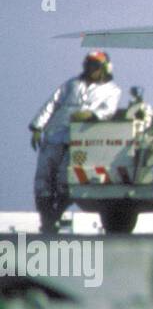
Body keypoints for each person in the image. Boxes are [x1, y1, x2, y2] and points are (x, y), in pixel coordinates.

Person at [29, 51, 123, 232]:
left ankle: (55, 215)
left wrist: (91, 114)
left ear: (104, 69)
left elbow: (108, 111)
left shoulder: (112, 90)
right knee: (43, 181)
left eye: (94, 66)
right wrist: (37, 127)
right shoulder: (71, 85)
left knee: (68, 180)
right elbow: (52, 104)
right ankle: (46, 220)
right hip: (54, 136)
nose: (90, 69)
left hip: (80, 141)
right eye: (87, 65)